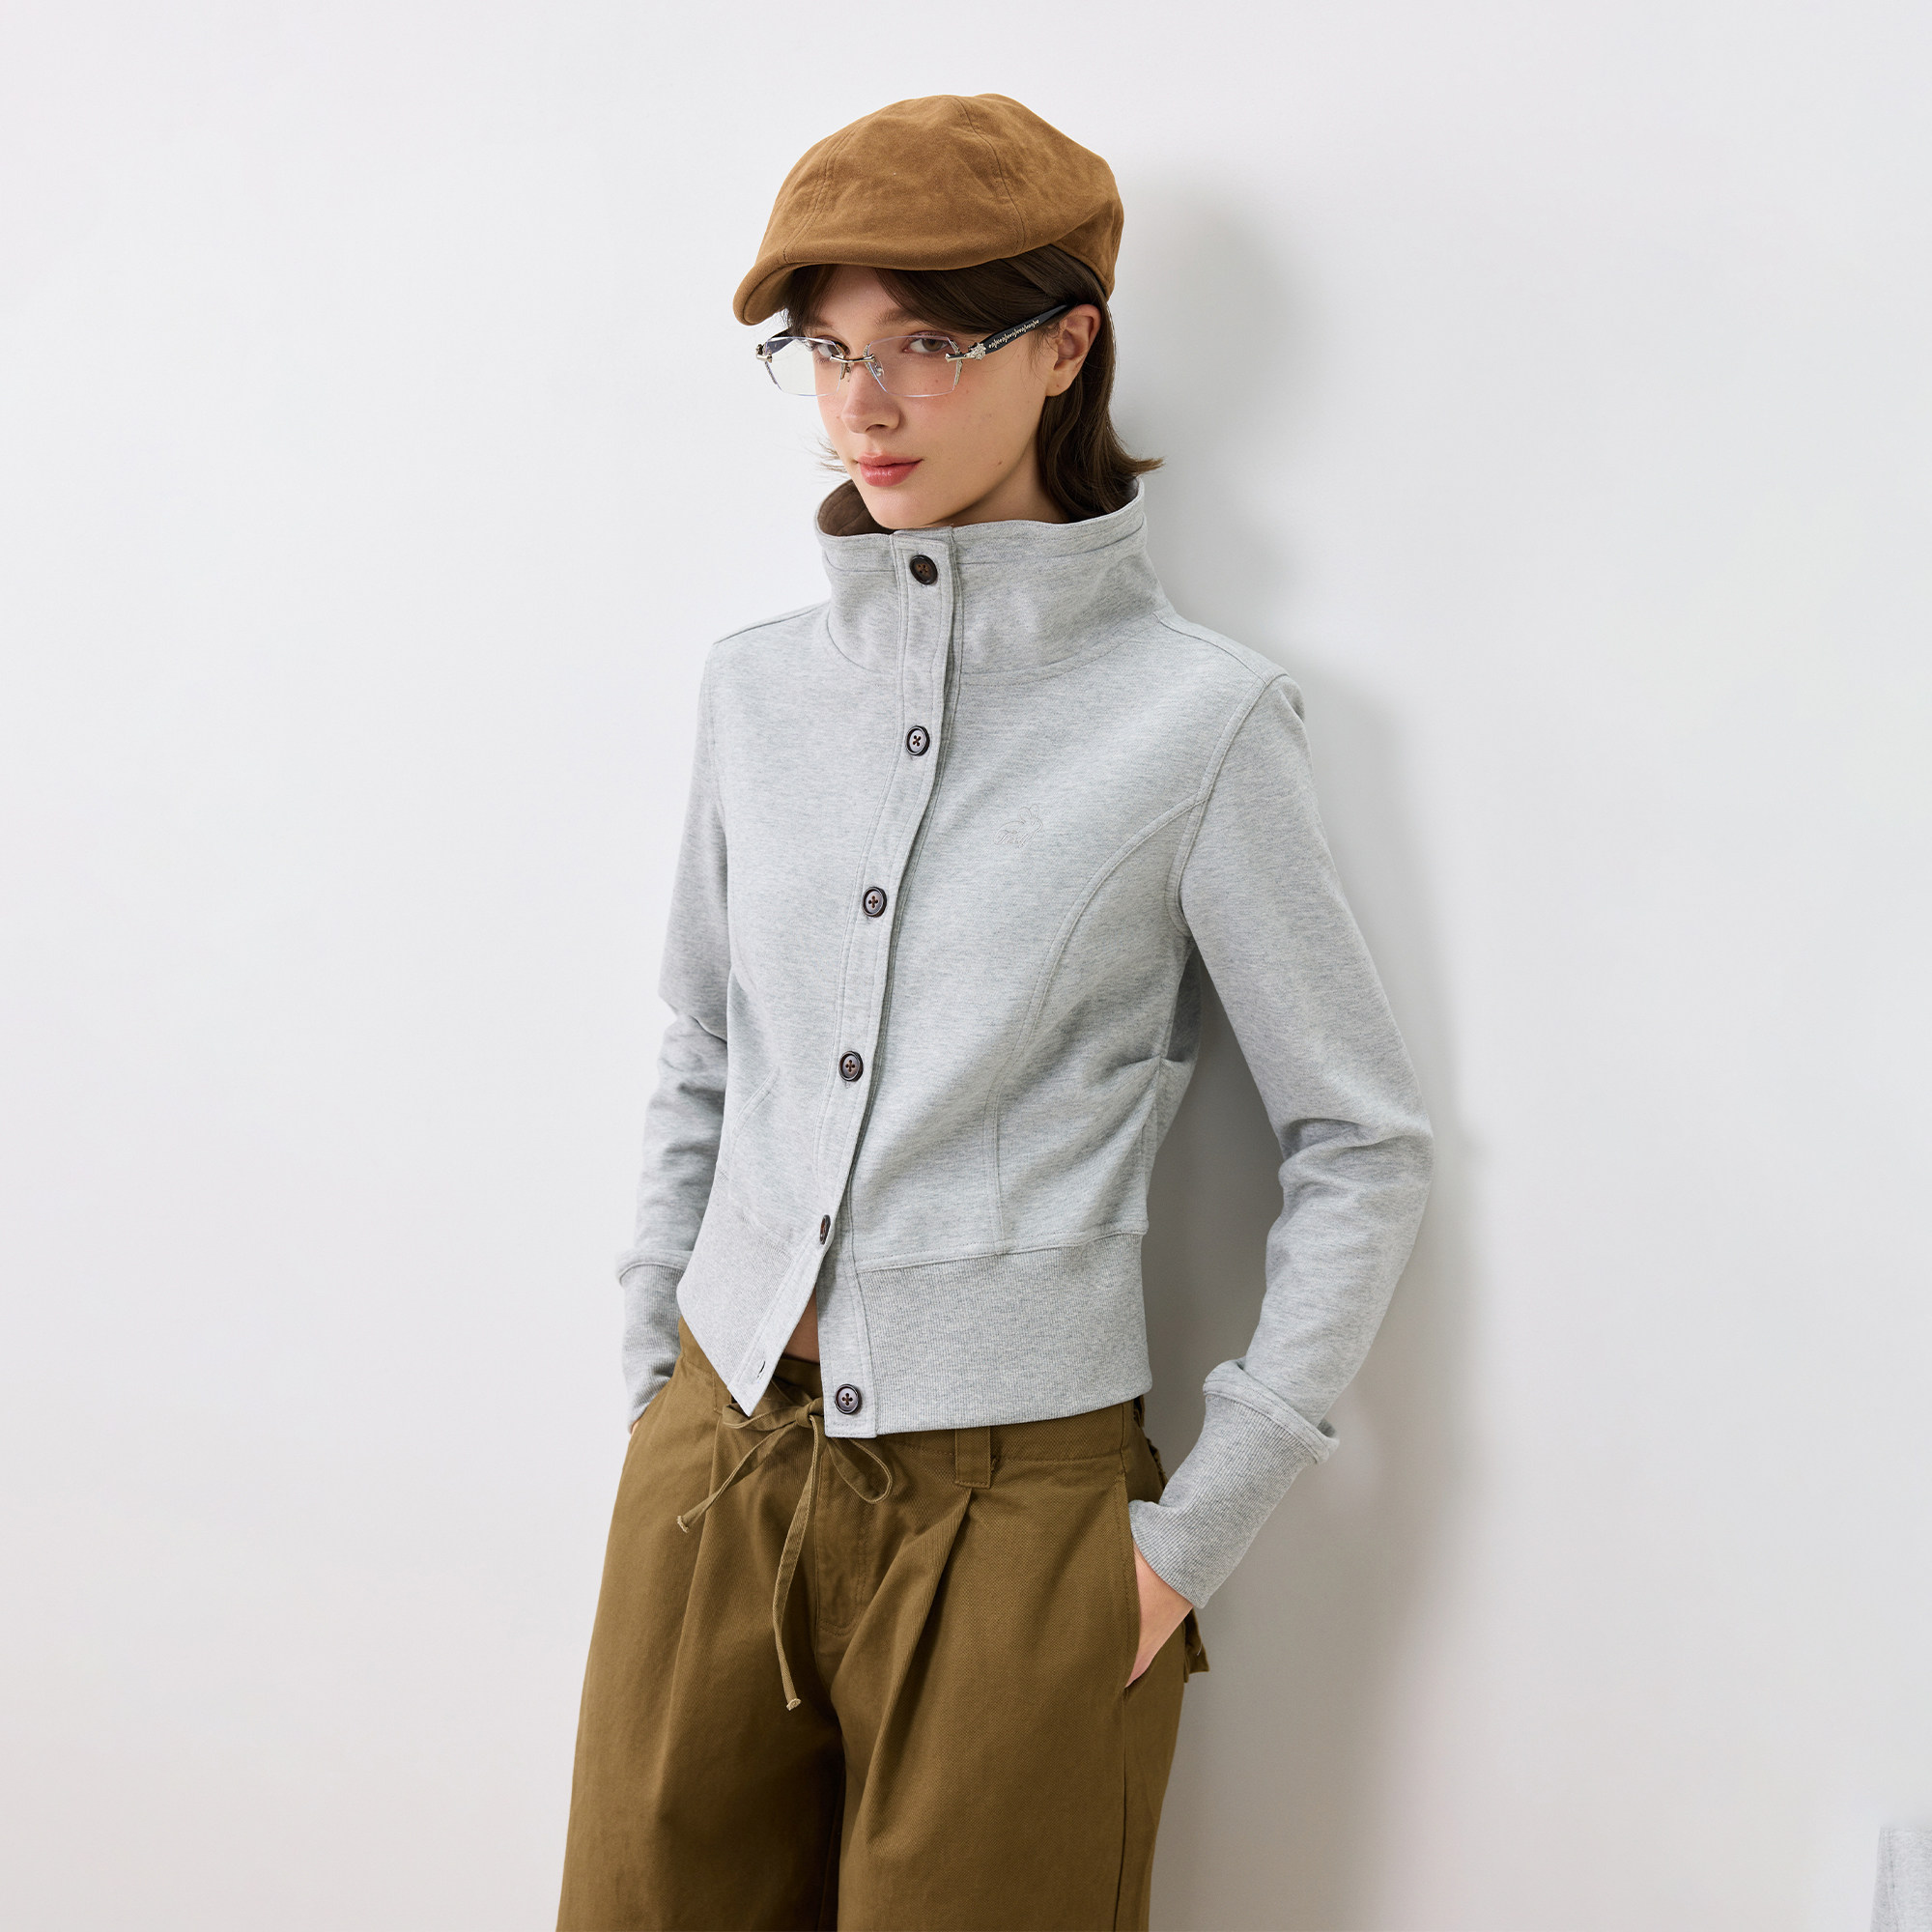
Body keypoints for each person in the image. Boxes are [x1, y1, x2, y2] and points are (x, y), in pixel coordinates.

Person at [555, 93, 1434, 1932]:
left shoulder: (1197, 724)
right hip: (716, 1467)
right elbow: (705, 1052)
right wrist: (656, 1388)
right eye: (827, 353)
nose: (864, 407)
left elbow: (1361, 1145)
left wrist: (1190, 1539)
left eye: (925, 348)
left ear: (1063, 348)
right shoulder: (755, 694)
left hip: (1017, 1525)